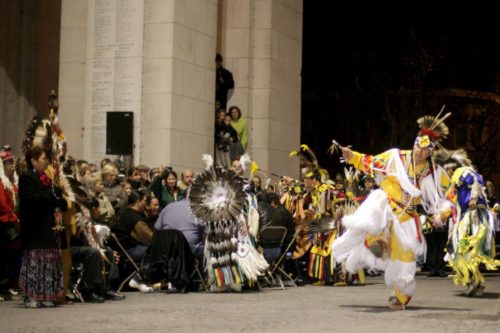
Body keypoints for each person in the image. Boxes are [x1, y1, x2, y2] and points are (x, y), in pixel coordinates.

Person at [332, 112, 453, 310]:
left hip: (406, 217)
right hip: (386, 205)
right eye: (417, 146)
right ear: (414, 142)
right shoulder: (395, 157)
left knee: (404, 259)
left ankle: (400, 296)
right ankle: (377, 241)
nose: (419, 151)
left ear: (431, 151)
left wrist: (442, 213)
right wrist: (352, 156)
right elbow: (370, 162)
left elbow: (449, 195)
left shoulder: (434, 172)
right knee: (376, 212)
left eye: (424, 149)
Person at [437, 149, 500, 296]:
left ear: (453, 167)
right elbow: (451, 204)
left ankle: (476, 283)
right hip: (465, 219)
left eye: (449, 169)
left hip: (475, 217)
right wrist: (443, 215)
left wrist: (473, 197)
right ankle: (473, 282)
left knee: (471, 251)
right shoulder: (454, 185)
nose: (449, 173)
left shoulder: (464, 171)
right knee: (462, 251)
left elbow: (477, 179)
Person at [18, 147, 68, 308]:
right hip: (34, 227)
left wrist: (58, 198)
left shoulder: (47, 178)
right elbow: (32, 199)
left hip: (49, 226)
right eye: (43, 159)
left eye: (47, 159)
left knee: (49, 260)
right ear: (33, 161)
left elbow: (59, 200)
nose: (46, 162)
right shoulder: (26, 178)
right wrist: (53, 195)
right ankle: (33, 296)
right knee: (36, 260)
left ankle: (47, 294)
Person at [0, 146, 21, 299]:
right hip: (4, 224)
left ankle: (13, 285)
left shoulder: (13, 182)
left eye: (12, 163)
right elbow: (2, 204)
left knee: (14, 255)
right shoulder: (1, 182)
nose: (12, 166)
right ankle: (4, 287)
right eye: (8, 163)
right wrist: (14, 217)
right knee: (4, 256)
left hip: (14, 222)